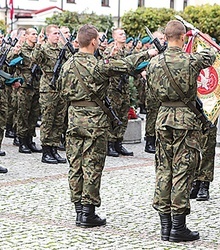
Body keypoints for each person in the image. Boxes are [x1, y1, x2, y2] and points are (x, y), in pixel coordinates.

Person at [59, 24, 157, 227]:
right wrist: (148, 52)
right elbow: (126, 64)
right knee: (92, 166)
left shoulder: (67, 65)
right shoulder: (97, 65)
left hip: (74, 119)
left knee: (75, 165)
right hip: (95, 121)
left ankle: (79, 210)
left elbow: (61, 91)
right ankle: (88, 213)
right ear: (94, 42)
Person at [147, 20, 216, 242]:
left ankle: (164, 227)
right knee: (182, 171)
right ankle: (178, 227)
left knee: (163, 170)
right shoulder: (190, 60)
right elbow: (211, 54)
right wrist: (201, 35)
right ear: (183, 37)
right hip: (185, 120)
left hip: (163, 117)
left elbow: (151, 91)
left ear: (165, 37)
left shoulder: (154, 62)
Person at [32, 24, 68, 164]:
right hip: (48, 88)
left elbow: (71, 60)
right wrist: (39, 44)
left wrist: (67, 44)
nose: (57, 36)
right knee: (48, 120)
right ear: (47, 35)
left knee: (58, 121)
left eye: (58, 33)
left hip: (60, 87)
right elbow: (34, 59)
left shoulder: (61, 49)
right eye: (54, 33)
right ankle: (46, 151)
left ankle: (54, 148)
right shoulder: (44, 48)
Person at [9, 27, 42, 154]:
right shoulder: (21, 49)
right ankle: (22, 141)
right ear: (27, 36)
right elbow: (10, 63)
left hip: (36, 84)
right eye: (33, 34)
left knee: (34, 115)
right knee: (23, 114)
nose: (35, 36)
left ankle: (30, 140)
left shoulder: (37, 50)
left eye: (36, 34)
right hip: (24, 85)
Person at [104, 28, 134, 157]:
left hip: (124, 88)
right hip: (113, 88)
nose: (124, 35)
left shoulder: (126, 52)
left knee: (123, 115)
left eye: (124, 33)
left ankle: (119, 142)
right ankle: (110, 143)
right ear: (114, 37)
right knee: (113, 115)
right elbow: (105, 65)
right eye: (121, 34)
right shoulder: (109, 50)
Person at [144, 29, 166, 154]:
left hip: (163, 90)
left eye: (163, 39)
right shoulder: (151, 53)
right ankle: (149, 141)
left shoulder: (165, 53)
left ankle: (158, 139)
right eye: (160, 39)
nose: (162, 41)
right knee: (152, 116)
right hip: (152, 90)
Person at [190, 124, 217, 201]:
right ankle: (195, 182)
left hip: (209, 114)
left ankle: (204, 184)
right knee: (193, 147)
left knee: (207, 148)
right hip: (193, 115)